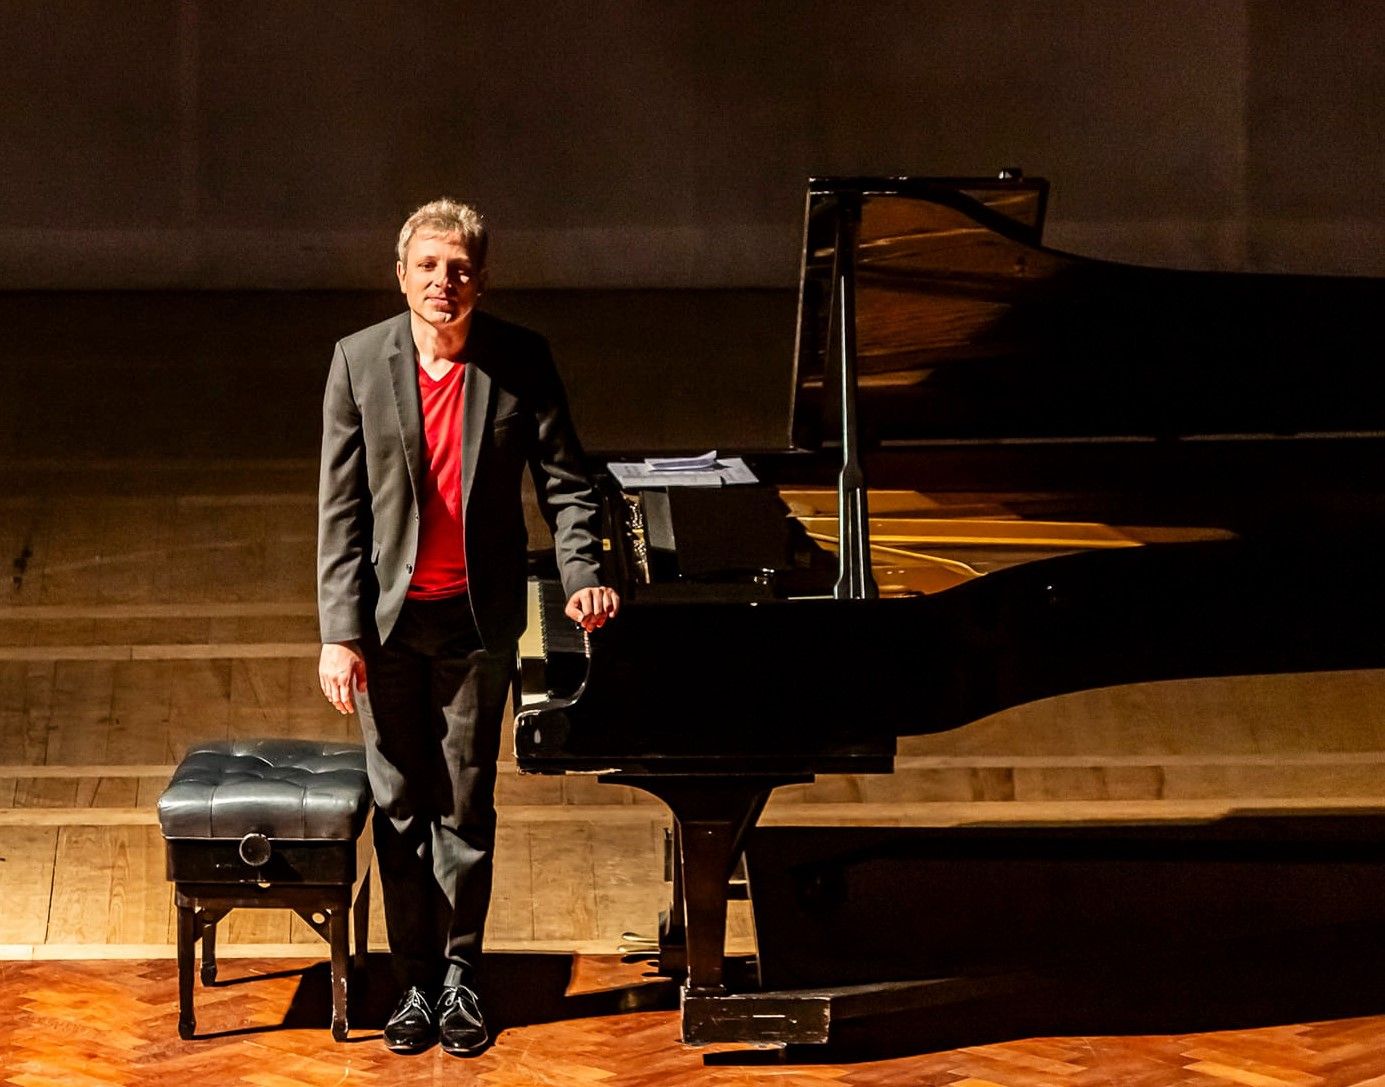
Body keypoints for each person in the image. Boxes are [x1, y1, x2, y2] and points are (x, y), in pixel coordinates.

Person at [316, 198, 619, 1056]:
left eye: (458, 269)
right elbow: (340, 509)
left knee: (463, 802)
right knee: (398, 804)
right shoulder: (358, 361)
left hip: (477, 621)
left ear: (480, 280)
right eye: (427, 266)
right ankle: (411, 981)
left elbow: (568, 485)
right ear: (400, 275)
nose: (441, 282)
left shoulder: (520, 360)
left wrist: (583, 576)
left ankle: (458, 978)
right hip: (386, 625)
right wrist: (339, 630)